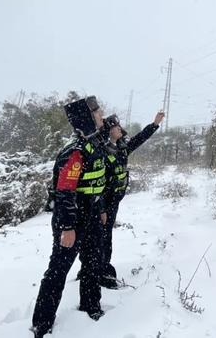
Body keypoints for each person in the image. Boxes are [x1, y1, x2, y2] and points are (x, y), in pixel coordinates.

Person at [31, 96, 109, 338]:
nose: (101, 115)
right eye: (96, 112)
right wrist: (67, 227)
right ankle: (42, 324)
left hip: (93, 215)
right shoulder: (73, 152)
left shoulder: (95, 144)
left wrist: (103, 208)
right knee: (58, 271)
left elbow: (99, 181)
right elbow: (64, 192)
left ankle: (91, 305)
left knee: (93, 263)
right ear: (86, 117)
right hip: (73, 220)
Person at [99, 111, 165, 288]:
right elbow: (97, 182)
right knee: (102, 237)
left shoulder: (121, 147)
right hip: (103, 203)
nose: (120, 129)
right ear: (108, 131)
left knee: (105, 236)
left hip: (114, 201)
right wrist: (102, 208)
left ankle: (98, 269)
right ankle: (102, 272)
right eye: (115, 127)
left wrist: (154, 124)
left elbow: (139, 139)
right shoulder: (102, 152)